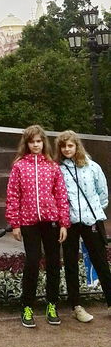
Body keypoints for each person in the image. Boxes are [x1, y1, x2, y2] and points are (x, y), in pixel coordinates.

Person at [5, 124, 70, 328]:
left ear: (44, 143)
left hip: (51, 221)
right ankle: (27, 306)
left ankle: (52, 304)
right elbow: (13, 195)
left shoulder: (52, 166)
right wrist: (15, 223)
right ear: (27, 144)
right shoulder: (19, 166)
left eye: (39, 141)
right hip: (29, 222)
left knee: (53, 263)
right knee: (32, 262)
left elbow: (61, 196)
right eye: (32, 142)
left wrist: (63, 223)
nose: (36, 145)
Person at [55, 130, 111, 322]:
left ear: (77, 146)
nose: (67, 149)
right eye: (63, 146)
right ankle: (76, 306)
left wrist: (93, 210)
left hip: (91, 220)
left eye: (70, 145)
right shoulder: (58, 169)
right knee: (71, 263)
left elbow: (102, 193)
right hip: (69, 221)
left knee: (101, 261)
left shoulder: (92, 166)